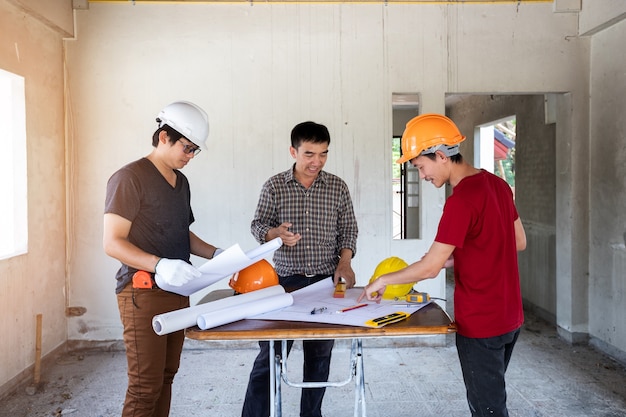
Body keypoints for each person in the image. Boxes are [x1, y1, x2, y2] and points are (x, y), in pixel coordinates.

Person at [359, 114, 527, 417]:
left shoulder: (461, 199)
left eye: (421, 167)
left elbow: (430, 268)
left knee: (488, 409)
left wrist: (382, 280)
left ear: (440, 155)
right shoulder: (498, 185)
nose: (422, 175)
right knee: (492, 397)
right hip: (511, 317)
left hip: (482, 322)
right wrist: (459, 257)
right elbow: (517, 242)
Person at [103, 101, 222, 417]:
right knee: (144, 388)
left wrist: (217, 254)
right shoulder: (129, 178)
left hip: (178, 292)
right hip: (142, 293)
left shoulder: (181, 182)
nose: (190, 156)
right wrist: (159, 264)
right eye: (187, 147)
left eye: (196, 150)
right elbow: (112, 242)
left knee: (166, 378)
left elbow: (182, 233)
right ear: (164, 137)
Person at [242, 121, 358, 417]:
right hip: (283, 283)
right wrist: (275, 234)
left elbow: (348, 231)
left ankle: (311, 414)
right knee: (270, 356)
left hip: (326, 282)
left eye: (323, 154)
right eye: (309, 154)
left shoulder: (337, 187)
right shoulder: (275, 186)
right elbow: (258, 225)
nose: (316, 162)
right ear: (293, 151)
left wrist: (344, 262)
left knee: (319, 356)